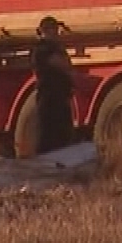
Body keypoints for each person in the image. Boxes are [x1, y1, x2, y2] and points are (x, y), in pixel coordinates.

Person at [30, 15, 77, 155]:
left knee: (63, 135)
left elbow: (67, 66)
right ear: (45, 31)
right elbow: (62, 64)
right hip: (50, 97)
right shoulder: (42, 48)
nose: (56, 32)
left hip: (61, 96)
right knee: (49, 136)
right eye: (52, 29)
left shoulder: (55, 48)